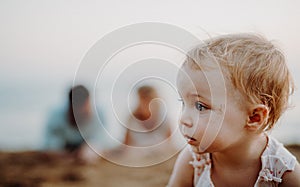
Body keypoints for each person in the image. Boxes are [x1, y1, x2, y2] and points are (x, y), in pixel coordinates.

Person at [168, 33, 300, 186]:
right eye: (183, 103)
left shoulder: (283, 172)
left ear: (254, 117)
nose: (183, 119)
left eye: (200, 106)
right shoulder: (193, 161)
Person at [44, 85, 104, 162]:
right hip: (64, 148)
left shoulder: (99, 114)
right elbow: (49, 146)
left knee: (90, 152)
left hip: (86, 147)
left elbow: (100, 141)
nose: (81, 113)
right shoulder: (56, 116)